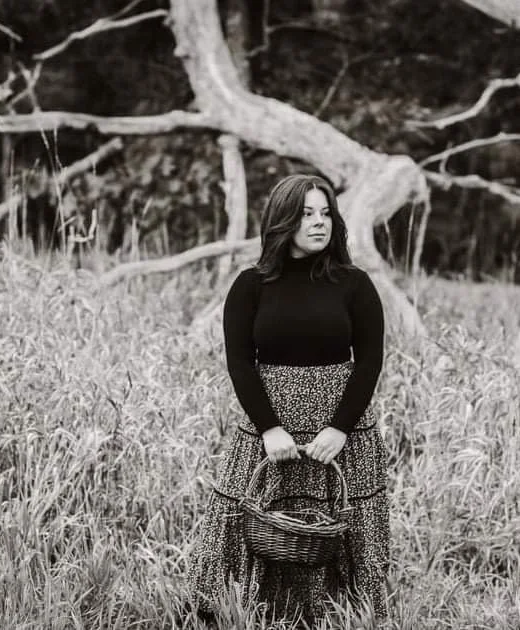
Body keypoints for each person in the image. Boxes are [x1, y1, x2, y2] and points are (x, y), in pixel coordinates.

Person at [186, 173, 390, 625]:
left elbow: (369, 362)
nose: (320, 224)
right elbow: (240, 363)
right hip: (270, 420)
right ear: (282, 220)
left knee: (342, 520)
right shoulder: (251, 286)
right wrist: (269, 429)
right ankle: (237, 612)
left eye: (325, 213)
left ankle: (343, 614)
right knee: (248, 516)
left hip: (341, 424)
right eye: (306, 214)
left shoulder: (355, 285)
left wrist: (339, 428)